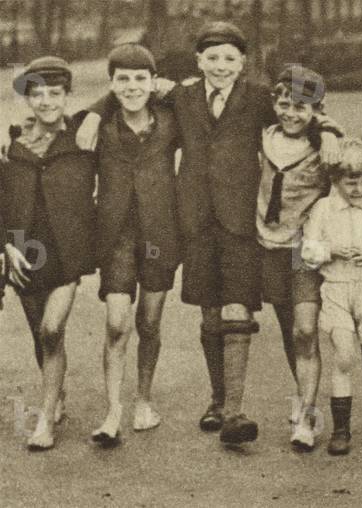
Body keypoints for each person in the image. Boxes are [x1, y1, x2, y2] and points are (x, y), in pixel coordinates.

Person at [79, 21, 342, 444]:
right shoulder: (180, 95)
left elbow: (301, 113)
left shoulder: (259, 97)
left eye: (229, 59)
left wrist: (328, 130)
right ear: (199, 60)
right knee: (209, 312)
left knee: (238, 308)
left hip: (241, 222)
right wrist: (94, 111)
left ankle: (236, 412)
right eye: (212, 58)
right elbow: (130, 88)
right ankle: (218, 402)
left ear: (243, 63)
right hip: (195, 221)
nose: (221, 66)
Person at [1, 56, 97, 450]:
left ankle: (45, 423)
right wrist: (6, 245)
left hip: (66, 253)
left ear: (66, 95)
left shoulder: (83, 140)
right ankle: (55, 397)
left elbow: (119, 101)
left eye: (54, 93)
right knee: (43, 337)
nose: (45, 101)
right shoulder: (12, 147)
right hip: (25, 252)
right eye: (36, 94)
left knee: (52, 329)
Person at [92, 44, 181, 446]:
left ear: (153, 81)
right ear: (111, 84)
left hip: (161, 235)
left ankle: (144, 399)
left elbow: (199, 105)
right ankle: (113, 411)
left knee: (149, 323)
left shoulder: (171, 120)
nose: (132, 87)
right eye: (122, 79)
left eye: (140, 78)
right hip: (116, 238)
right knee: (116, 324)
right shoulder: (97, 124)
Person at [255, 66, 334, 450]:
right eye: (284, 105)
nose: (291, 114)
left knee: (306, 329)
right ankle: (303, 397)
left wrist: (331, 131)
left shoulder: (323, 147)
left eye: (302, 108)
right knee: (288, 327)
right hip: (268, 243)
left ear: (317, 110)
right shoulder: (262, 139)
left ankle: (307, 416)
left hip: (304, 249)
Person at [302, 142, 362, 456]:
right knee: (343, 356)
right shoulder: (323, 209)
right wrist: (331, 250)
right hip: (337, 288)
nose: (358, 189)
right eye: (351, 182)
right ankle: (341, 430)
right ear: (337, 181)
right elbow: (307, 253)